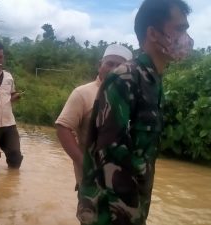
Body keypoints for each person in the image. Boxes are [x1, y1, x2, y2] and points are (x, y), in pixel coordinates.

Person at [77, 0, 193, 224]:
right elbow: (110, 156)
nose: (186, 37)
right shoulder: (125, 78)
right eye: (180, 29)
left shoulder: (153, 81)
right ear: (153, 33)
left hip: (133, 206)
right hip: (110, 212)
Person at [55, 44, 132, 191]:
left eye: (119, 65)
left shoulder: (132, 98)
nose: (114, 69)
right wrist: (83, 164)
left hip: (123, 181)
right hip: (92, 181)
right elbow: (62, 128)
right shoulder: (83, 93)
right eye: (109, 63)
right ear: (100, 65)